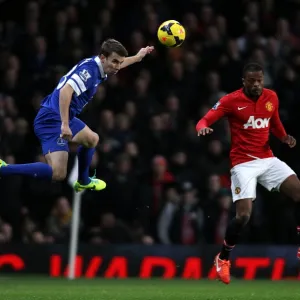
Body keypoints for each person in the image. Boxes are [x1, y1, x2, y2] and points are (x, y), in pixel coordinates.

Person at [0, 39, 154, 192]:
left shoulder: (100, 67)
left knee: (92, 139)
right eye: (114, 61)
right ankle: (4, 169)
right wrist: (65, 125)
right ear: (102, 57)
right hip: (52, 120)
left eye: (119, 62)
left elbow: (119, 63)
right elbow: (65, 91)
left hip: (60, 115)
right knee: (58, 173)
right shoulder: (89, 71)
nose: (117, 66)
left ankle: (83, 181)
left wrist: (138, 57)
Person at [196, 62, 300, 285]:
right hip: (243, 164)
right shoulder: (230, 101)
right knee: (243, 216)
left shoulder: (271, 97)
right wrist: (201, 128)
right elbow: (205, 119)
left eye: (259, 80)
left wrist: (284, 137)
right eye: (252, 81)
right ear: (243, 81)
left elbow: (275, 122)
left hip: (267, 158)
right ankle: (223, 258)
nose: (256, 84)